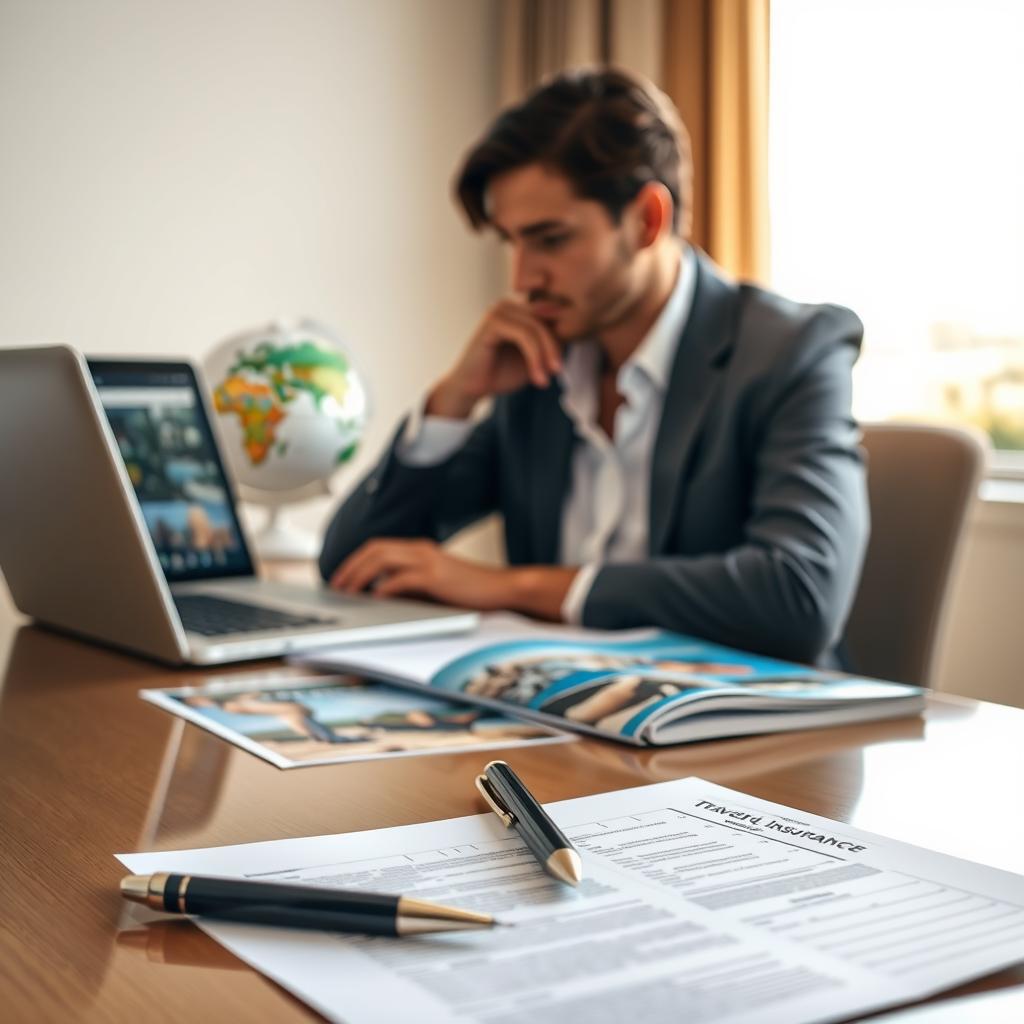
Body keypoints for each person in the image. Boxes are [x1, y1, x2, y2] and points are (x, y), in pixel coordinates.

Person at [319, 67, 869, 666]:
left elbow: (800, 598)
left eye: (550, 240)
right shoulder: (539, 367)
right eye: (512, 242)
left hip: (743, 736)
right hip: (559, 725)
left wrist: (514, 587)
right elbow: (353, 563)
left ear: (646, 221)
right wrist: (455, 398)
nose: (523, 280)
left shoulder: (788, 350)